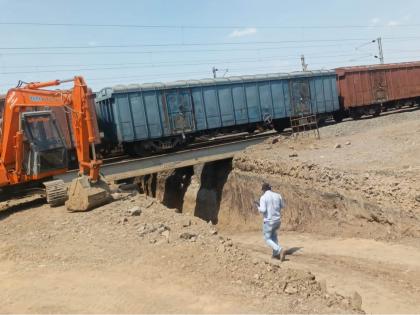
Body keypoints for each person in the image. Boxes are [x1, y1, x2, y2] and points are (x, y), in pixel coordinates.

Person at [255, 182, 285, 261]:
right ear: (270, 188)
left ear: (263, 190)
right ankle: (275, 255)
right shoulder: (278, 195)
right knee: (274, 236)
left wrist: (258, 206)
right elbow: (283, 206)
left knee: (267, 238)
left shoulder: (263, 197)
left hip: (269, 221)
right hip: (277, 220)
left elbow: (263, 210)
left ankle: (279, 249)